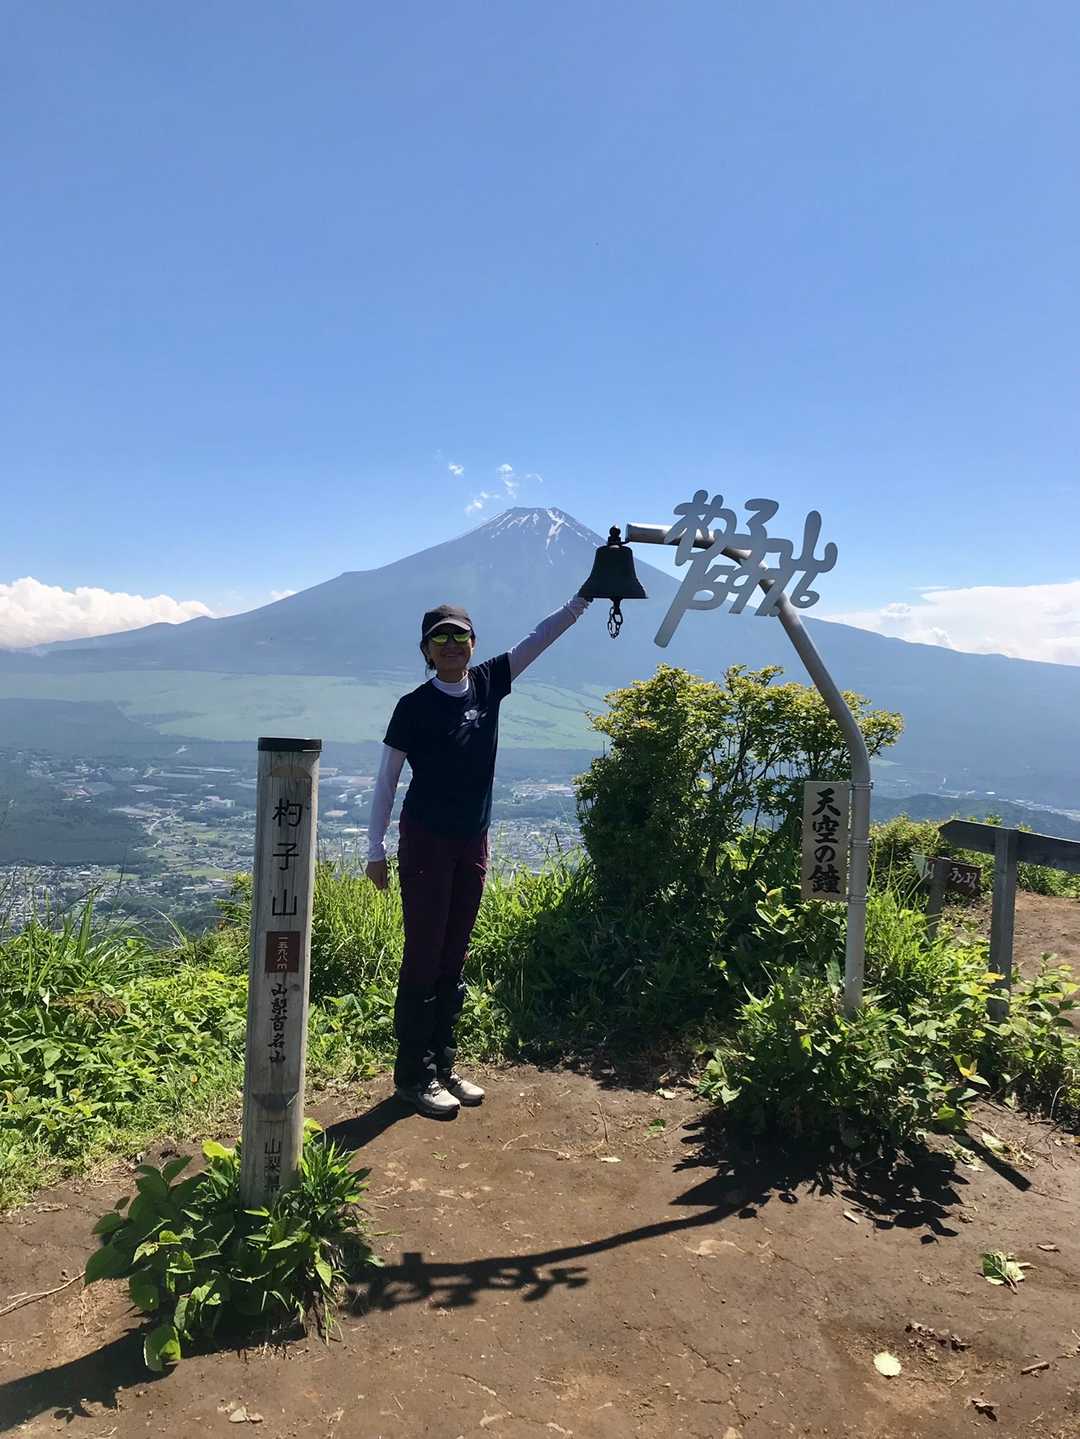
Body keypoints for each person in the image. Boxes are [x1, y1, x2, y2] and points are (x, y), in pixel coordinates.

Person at [366, 594, 593, 1117]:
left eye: (459, 635)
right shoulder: (413, 706)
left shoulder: (489, 681)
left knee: (454, 954)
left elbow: (538, 639)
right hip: (426, 841)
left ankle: (443, 1065)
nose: (450, 644)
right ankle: (414, 1075)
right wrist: (374, 849)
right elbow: (386, 780)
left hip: (473, 839)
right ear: (426, 650)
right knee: (424, 954)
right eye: (439, 637)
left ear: (473, 643)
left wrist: (582, 600)